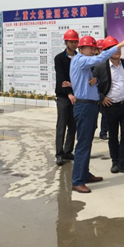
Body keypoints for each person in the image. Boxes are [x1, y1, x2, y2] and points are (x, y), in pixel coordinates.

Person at [70, 35, 124, 194]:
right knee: (83, 144)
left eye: (94, 48)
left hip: (90, 106)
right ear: (81, 49)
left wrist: (95, 81)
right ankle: (77, 181)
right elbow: (99, 58)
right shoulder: (80, 60)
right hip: (84, 106)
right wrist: (119, 45)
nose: (93, 51)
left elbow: (92, 82)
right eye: (91, 48)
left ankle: (84, 174)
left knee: (87, 142)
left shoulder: (85, 65)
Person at [92, 36, 124, 175]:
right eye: (113, 49)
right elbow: (92, 85)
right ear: (106, 51)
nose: (117, 51)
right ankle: (115, 162)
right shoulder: (100, 67)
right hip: (111, 107)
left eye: (119, 48)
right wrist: (102, 98)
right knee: (113, 136)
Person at [54, 29, 79, 166]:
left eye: (76, 41)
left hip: (77, 95)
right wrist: (69, 93)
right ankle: (59, 153)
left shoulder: (79, 57)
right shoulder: (59, 58)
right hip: (63, 96)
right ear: (66, 42)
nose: (74, 44)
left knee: (73, 125)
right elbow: (61, 78)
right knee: (61, 125)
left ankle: (68, 151)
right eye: (71, 41)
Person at [94, 39, 108, 140]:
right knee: (93, 115)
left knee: (105, 114)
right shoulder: (92, 62)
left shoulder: (108, 62)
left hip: (104, 92)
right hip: (94, 93)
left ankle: (103, 133)